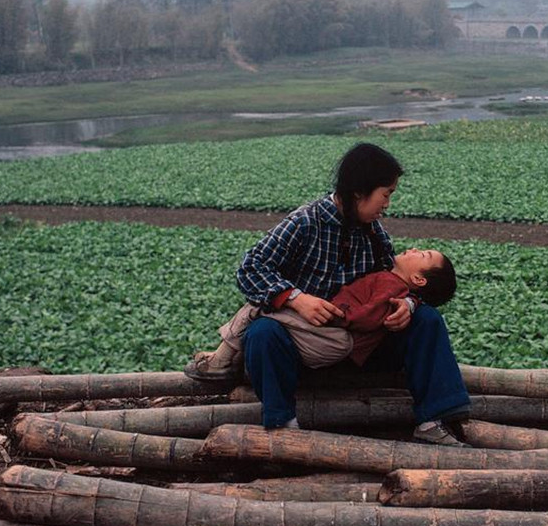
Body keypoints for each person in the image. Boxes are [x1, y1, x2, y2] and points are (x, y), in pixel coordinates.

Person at [191, 142, 471, 446]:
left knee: (426, 319)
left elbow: (400, 280)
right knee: (263, 332)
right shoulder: (305, 222)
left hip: (359, 348)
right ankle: (283, 426)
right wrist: (297, 299)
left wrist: (409, 303)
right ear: (359, 191)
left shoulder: (375, 233)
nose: (387, 204)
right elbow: (250, 270)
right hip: (305, 348)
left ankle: (434, 420)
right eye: (386, 194)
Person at [187, 247, 457, 377]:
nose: (413, 249)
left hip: (336, 334)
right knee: (265, 314)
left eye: (422, 255)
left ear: (419, 279)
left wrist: (339, 314)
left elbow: (368, 315)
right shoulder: (391, 276)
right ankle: (227, 358)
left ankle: (222, 359)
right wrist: (412, 301)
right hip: (334, 334)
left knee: (261, 307)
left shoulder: (392, 284)